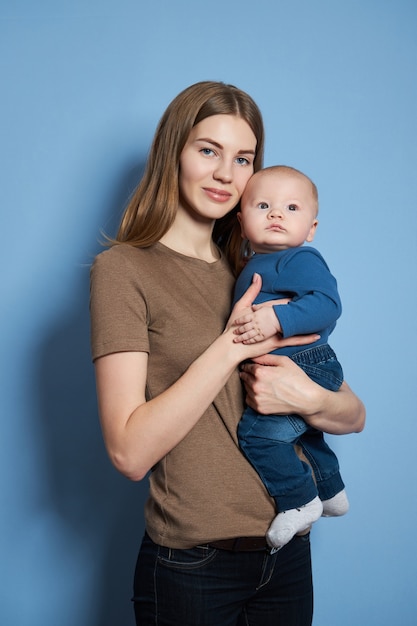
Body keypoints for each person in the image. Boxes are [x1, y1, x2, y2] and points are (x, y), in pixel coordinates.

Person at [89, 81, 365, 626]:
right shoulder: (125, 270)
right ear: (174, 151)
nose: (225, 174)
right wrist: (232, 343)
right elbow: (128, 453)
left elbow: (352, 414)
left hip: (287, 553)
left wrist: (306, 397)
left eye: (243, 158)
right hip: (193, 564)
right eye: (208, 150)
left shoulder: (261, 266)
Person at [232, 165, 350, 552]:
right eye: (263, 205)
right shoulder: (254, 263)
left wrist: (273, 319)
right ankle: (332, 491)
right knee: (306, 434)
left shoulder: (300, 259)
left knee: (258, 436)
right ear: (241, 219)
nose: (277, 214)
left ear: (311, 228)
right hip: (302, 363)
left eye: (291, 208)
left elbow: (328, 304)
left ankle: (300, 500)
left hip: (308, 362)